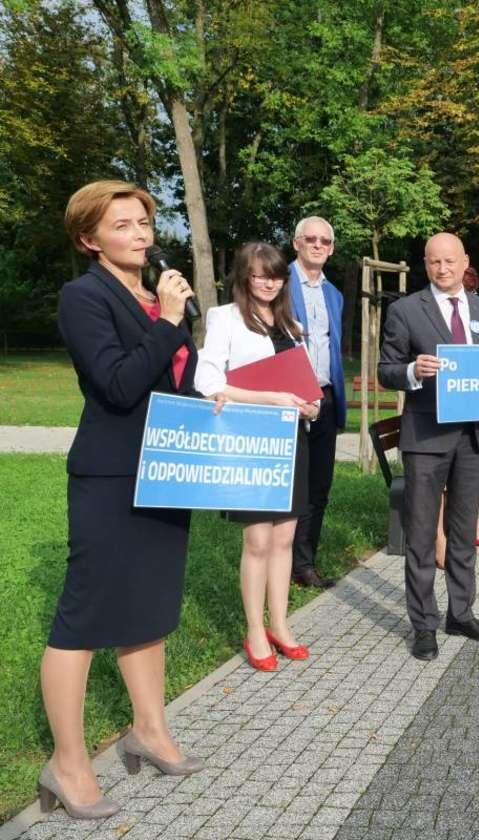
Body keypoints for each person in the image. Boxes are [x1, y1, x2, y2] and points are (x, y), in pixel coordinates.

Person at [40, 181, 205, 820]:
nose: (140, 234)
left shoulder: (159, 295)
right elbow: (116, 384)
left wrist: (207, 402)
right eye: (123, 225)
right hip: (111, 475)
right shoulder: (83, 298)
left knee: (150, 604)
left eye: (144, 222)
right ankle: (67, 764)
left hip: (166, 469)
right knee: (84, 619)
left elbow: (171, 380)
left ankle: (150, 731)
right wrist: (167, 323)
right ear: (90, 239)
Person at [378, 232, 479, 660]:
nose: (442, 269)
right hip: (426, 436)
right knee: (421, 534)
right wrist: (412, 370)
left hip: (473, 436)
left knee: (465, 529)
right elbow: (386, 370)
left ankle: (461, 613)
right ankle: (423, 624)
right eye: (434, 262)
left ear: (465, 262)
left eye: (450, 261)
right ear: (425, 264)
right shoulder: (405, 310)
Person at [196, 243, 321, 669]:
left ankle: (280, 624)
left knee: (285, 539)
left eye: (276, 275)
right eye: (260, 275)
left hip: (292, 440)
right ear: (243, 276)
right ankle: (254, 631)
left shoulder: (292, 324)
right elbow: (208, 380)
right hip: (250, 441)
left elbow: (307, 385)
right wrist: (271, 399)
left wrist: (311, 406)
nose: (269, 283)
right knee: (258, 541)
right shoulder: (224, 318)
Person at [287, 216, 345, 589]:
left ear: (332, 248)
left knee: (319, 485)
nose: (318, 245)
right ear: (296, 242)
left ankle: (305, 564)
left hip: (325, 396)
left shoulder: (334, 294)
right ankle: (283, 562)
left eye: (325, 241)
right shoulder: (277, 283)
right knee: (292, 487)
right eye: (311, 239)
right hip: (288, 397)